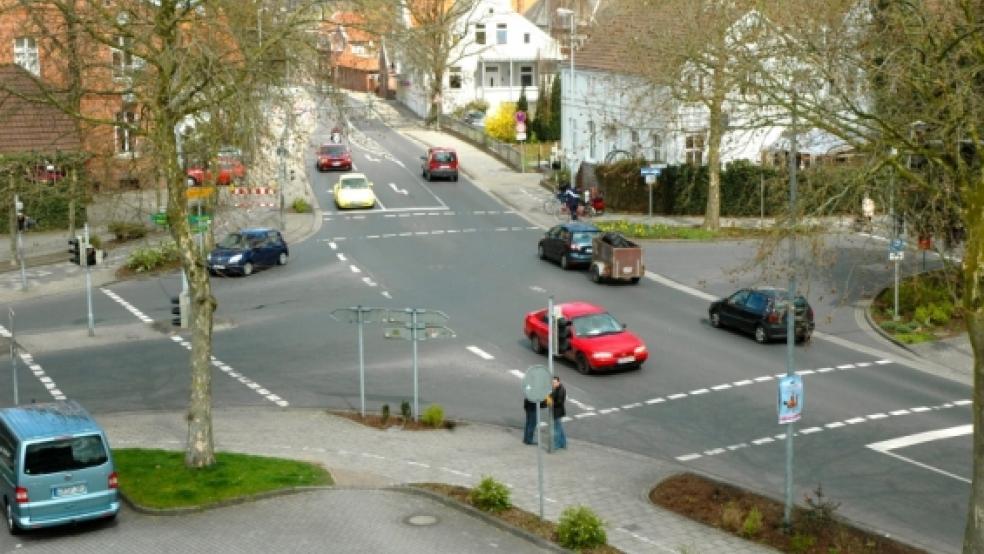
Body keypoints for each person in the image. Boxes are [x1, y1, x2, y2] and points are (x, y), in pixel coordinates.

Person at [549, 376, 567, 450]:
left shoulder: (561, 390)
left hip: (557, 412)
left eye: (555, 382)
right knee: (560, 428)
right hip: (558, 411)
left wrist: (551, 403)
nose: (553, 384)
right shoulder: (557, 388)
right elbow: (553, 395)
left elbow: (559, 402)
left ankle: (557, 444)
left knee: (557, 429)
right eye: (553, 382)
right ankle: (563, 443)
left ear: (559, 382)